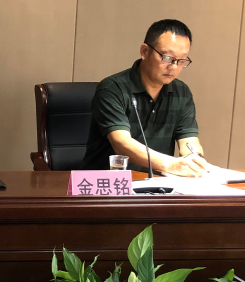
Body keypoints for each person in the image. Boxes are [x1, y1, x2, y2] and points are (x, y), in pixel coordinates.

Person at [81, 19, 208, 176]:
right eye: (167, 58)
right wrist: (171, 164)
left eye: (181, 60)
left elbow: (188, 139)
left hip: (156, 182)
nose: (174, 67)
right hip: (108, 183)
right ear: (145, 51)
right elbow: (122, 143)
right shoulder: (113, 89)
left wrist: (195, 159)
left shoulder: (181, 92)